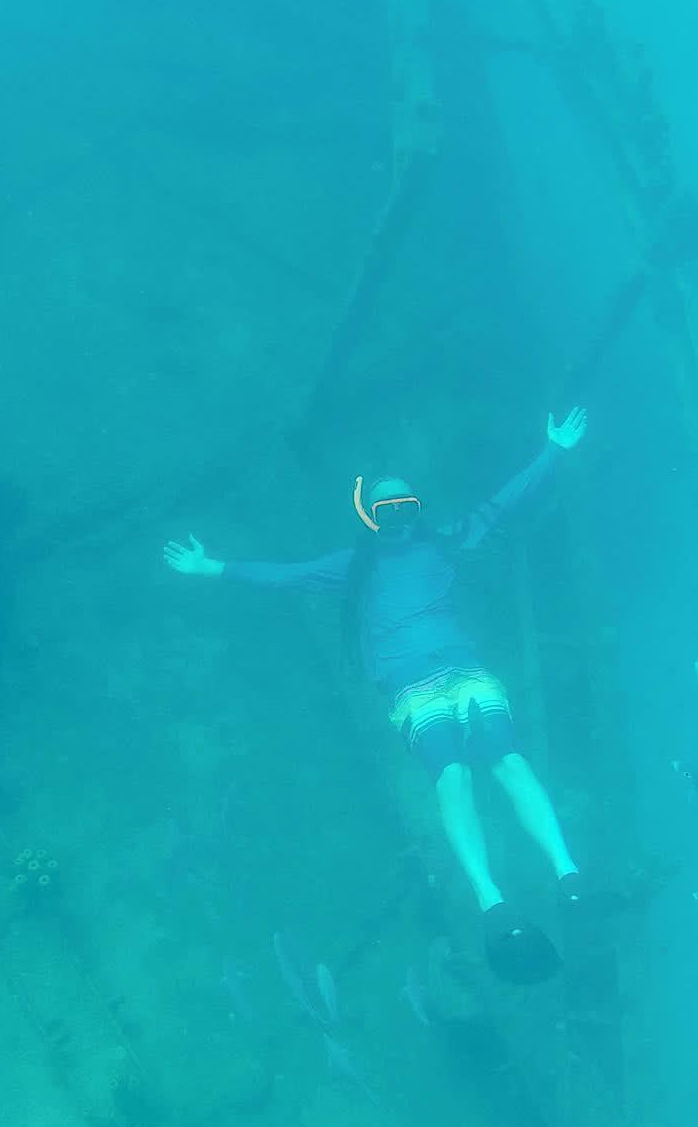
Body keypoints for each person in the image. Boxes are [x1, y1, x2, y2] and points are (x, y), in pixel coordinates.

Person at [163, 407, 590, 982]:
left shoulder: (444, 539)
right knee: (455, 775)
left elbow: (503, 501)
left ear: (419, 510)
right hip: (413, 686)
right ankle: (491, 894)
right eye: (387, 510)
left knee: (506, 761)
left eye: (406, 507)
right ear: (370, 517)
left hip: (460, 671)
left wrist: (552, 451)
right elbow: (286, 575)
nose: (399, 519)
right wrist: (212, 568)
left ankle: (567, 870)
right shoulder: (353, 566)